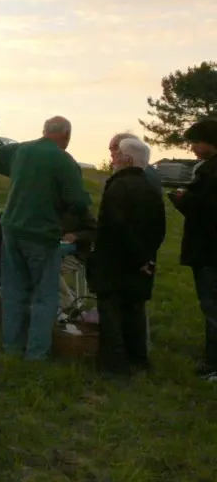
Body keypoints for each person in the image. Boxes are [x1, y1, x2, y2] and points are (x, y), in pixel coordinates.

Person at [0, 116, 91, 360]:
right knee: (44, 296)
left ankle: (12, 347)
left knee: (14, 292)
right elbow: (78, 201)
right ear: (66, 136)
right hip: (42, 235)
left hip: (11, 230)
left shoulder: (21, 151)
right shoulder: (65, 161)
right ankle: (36, 353)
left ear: (44, 131)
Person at [88, 138, 166, 376]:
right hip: (142, 262)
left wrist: (136, 257)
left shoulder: (119, 186)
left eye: (117, 154)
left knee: (111, 315)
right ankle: (138, 359)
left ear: (128, 159)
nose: (113, 158)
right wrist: (146, 258)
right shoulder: (151, 187)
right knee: (134, 312)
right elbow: (159, 228)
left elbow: (115, 226)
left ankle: (114, 366)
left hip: (116, 261)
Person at [168, 118, 217, 380]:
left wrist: (183, 200)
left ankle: (213, 363)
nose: (193, 149)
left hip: (209, 251)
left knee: (212, 306)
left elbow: (207, 213)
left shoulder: (211, 172)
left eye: (196, 143)